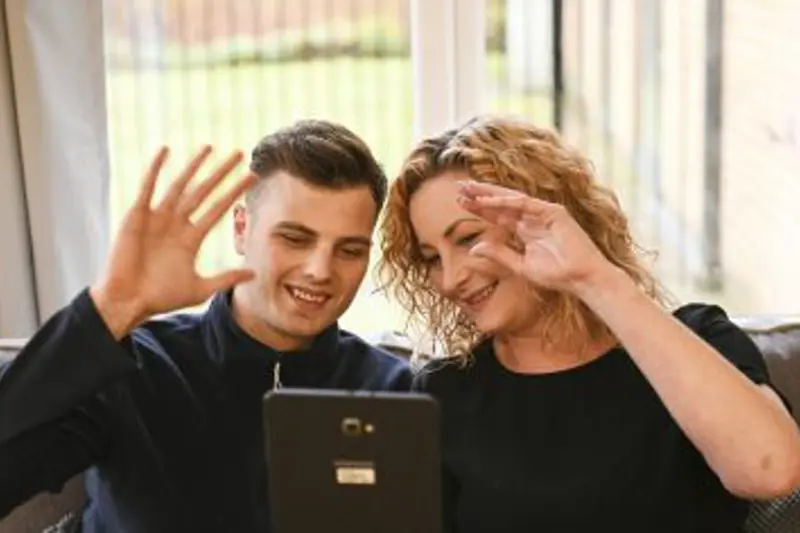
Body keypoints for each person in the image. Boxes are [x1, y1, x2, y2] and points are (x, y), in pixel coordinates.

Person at [377, 115, 800, 533]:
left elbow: (770, 471)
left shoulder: (700, 340)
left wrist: (593, 279)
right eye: (431, 258)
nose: (450, 279)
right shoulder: (444, 394)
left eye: (468, 238)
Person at [0, 120, 412, 532]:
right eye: (294, 238)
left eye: (349, 250)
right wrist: (110, 309)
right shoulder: (132, 370)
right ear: (241, 229)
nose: (320, 270)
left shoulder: (394, 392)